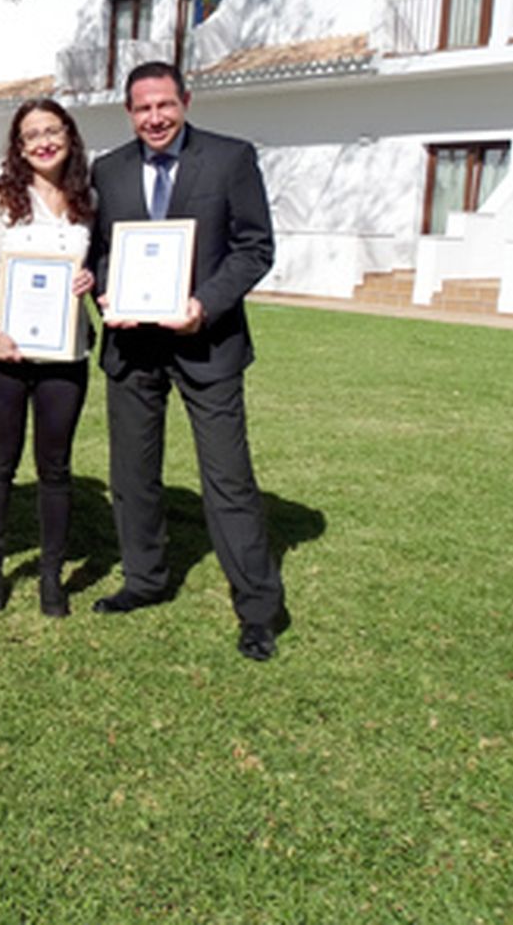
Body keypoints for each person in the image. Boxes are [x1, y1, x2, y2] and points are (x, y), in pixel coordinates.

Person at [89, 60, 286, 661]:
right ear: (129, 111)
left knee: (227, 479)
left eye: (164, 105)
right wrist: (105, 291)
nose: (154, 117)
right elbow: (99, 252)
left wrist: (203, 305)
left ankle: (258, 610)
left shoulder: (230, 159)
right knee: (132, 474)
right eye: (142, 108)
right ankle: (144, 580)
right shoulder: (109, 169)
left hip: (208, 341)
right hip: (133, 346)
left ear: (185, 101)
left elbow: (256, 248)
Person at [0, 99, 97, 616]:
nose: (43, 141)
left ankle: (51, 576)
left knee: (56, 467)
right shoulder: (2, 200)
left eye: (52, 130)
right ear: (19, 147)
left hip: (65, 353)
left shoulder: (89, 199)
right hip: (3, 351)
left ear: (68, 135)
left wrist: (93, 281)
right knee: (0, 463)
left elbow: (102, 264)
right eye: (31, 135)